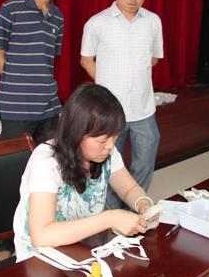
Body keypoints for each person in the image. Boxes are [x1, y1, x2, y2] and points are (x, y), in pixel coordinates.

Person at [12, 83, 158, 262]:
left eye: (115, 136)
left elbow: (129, 189)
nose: (110, 146)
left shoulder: (107, 153)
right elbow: (42, 236)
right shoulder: (46, 161)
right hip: (40, 259)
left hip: (84, 248)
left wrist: (142, 203)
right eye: (102, 140)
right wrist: (109, 219)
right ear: (77, 133)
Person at [0, 0, 73, 260]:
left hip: (50, 108)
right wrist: (17, 83)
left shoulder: (58, 17)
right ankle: (5, 245)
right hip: (16, 108)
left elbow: (48, 61)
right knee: (11, 174)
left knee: (51, 171)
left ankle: (45, 232)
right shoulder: (10, 8)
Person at [80, 0, 164, 210]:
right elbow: (86, 59)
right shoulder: (97, 23)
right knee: (106, 166)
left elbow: (154, 58)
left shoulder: (153, 21)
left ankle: (133, 211)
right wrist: (106, 86)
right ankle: (110, 215)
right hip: (110, 113)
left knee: (144, 163)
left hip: (143, 110)